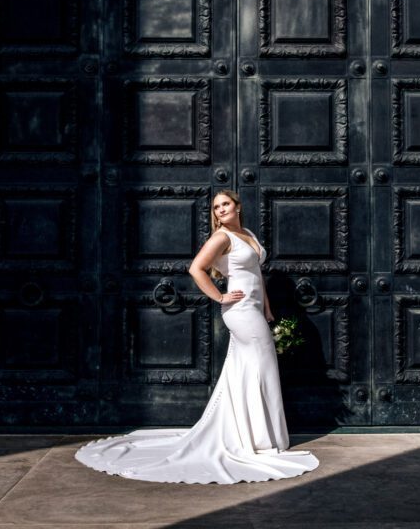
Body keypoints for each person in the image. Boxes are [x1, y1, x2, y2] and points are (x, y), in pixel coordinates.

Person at [74, 189, 319, 484]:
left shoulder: (247, 233)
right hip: (239, 311)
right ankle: (259, 441)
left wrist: (267, 308)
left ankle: (252, 436)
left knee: (248, 370)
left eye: (225, 204)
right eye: (216, 207)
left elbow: (256, 274)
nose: (221, 210)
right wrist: (220, 297)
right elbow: (196, 269)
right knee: (261, 367)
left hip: (254, 309)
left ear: (238, 206)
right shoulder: (221, 238)